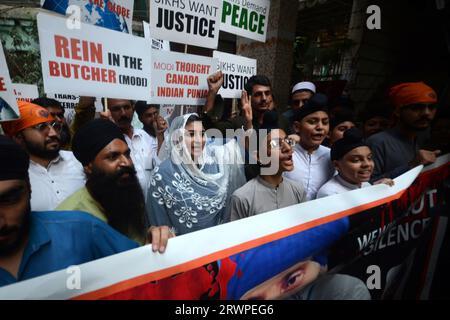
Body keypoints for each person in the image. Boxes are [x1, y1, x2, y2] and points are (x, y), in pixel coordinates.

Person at [0, 136, 169, 287]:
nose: (1, 223)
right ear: (88, 166)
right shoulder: (74, 209)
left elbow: (143, 271)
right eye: (112, 156)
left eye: (9, 199)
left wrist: (156, 242)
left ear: (29, 188)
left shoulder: (81, 229)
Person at [56, 119, 166, 244]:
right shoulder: (68, 218)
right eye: (113, 157)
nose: (126, 163)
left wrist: (151, 238)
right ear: (88, 166)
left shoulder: (125, 196)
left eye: (127, 154)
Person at [146, 113, 248, 235]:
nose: (199, 140)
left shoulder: (215, 166)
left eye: (202, 134)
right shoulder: (163, 174)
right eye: (192, 134)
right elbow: (158, 222)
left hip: (218, 244)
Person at [1, 101, 85, 211]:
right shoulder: (12, 175)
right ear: (18, 137)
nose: (53, 133)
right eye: (41, 127)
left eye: (54, 126)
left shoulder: (78, 160)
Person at [230, 112, 306, 220]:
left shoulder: (298, 190)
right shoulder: (242, 198)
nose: (288, 148)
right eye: (276, 144)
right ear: (259, 156)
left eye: (288, 141)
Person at [367, 82, 440, 180]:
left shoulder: (423, 138)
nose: (426, 113)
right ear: (398, 111)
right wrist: (412, 165)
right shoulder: (378, 142)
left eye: (431, 107)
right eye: (417, 108)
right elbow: (366, 186)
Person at [284, 93, 335, 200]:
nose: (320, 127)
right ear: (297, 127)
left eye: (325, 122)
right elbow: (263, 150)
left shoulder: (331, 155)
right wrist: (286, 141)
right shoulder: (285, 150)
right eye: (312, 122)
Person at [317, 128, 394, 199]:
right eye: (356, 160)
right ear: (337, 165)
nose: (367, 164)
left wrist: (376, 189)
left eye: (369, 158)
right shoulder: (329, 194)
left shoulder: (365, 184)